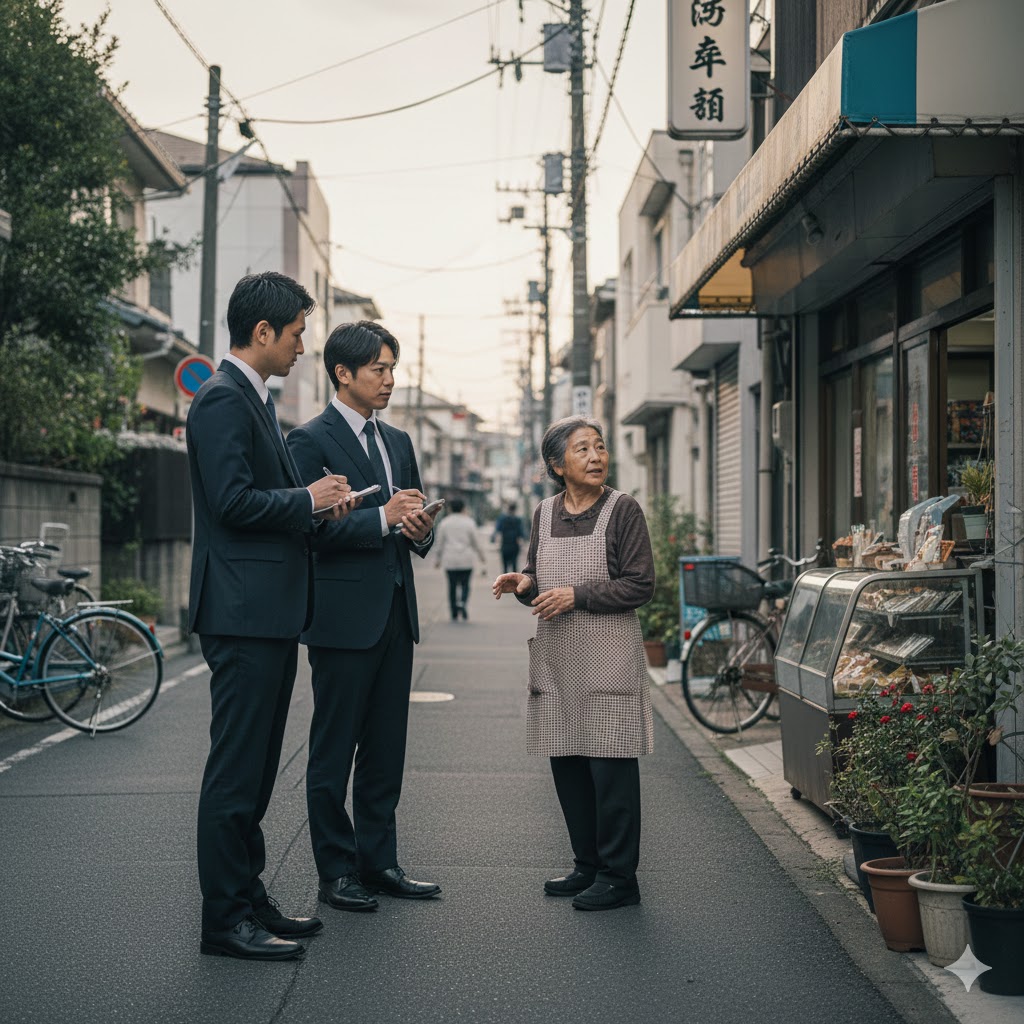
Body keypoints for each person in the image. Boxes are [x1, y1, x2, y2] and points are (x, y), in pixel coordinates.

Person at [187, 271, 354, 961]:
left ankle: (247, 898)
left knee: (255, 772)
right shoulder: (222, 399)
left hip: (266, 612)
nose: (302, 346)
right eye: (296, 333)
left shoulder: (248, 399)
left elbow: (266, 503)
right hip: (242, 612)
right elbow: (231, 504)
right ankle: (225, 920)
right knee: (236, 772)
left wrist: (319, 506)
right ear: (262, 333)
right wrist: (305, 500)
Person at [287, 320, 442, 915]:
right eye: (377, 368)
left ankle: (380, 862)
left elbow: (414, 515)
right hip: (341, 617)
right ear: (342, 373)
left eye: (391, 368)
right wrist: (381, 520)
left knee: (386, 747)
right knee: (333, 749)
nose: (389, 379)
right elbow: (309, 529)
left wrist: (419, 527)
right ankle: (336, 869)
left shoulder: (398, 440)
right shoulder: (309, 440)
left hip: (395, 611)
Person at [492, 416, 654, 912]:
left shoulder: (623, 510)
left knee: (610, 769)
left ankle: (619, 877)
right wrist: (524, 585)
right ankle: (587, 865)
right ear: (557, 465)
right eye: (582, 449)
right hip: (559, 657)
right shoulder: (544, 512)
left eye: (600, 447)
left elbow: (640, 585)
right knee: (568, 764)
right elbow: (541, 580)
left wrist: (576, 595)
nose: (596, 456)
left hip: (609, 656)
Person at [433, 498, 485, 620]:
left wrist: (437, 559)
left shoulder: (444, 523)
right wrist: (482, 556)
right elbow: (476, 542)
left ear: (450, 509)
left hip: (450, 560)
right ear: (463, 508)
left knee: (452, 586)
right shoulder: (469, 522)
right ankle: (462, 602)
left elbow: (439, 543)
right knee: (465, 584)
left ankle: (454, 611)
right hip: (466, 560)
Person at [492, 502, 526, 574]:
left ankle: (505, 582)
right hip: (514, 546)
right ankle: (514, 582)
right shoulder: (518, 520)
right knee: (514, 565)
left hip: (505, 545)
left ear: (508, 509)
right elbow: (521, 533)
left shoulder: (502, 519)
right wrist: (523, 544)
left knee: (505, 567)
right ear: (515, 509)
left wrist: (493, 539)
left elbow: (497, 530)